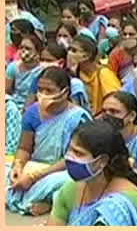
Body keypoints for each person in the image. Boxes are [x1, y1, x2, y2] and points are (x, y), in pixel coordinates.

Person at [6, 67, 91, 215]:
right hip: (35, 165)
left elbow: (73, 158)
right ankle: (34, 197)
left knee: (74, 182)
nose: (43, 95)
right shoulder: (32, 112)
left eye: (49, 90)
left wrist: (34, 177)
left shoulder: (77, 117)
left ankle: (50, 204)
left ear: (64, 92)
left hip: (63, 169)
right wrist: (18, 166)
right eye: (40, 89)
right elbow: (24, 148)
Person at [45, 120, 137, 225]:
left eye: (78, 153)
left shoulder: (124, 203)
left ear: (102, 161)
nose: (69, 157)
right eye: (69, 150)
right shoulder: (70, 190)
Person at [69, 35, 121, 114]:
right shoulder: (74, 73)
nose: (69, 53)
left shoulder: (104, 74)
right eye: (68, 49)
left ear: (86, 56)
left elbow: (116, 105)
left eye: (73, 50)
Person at [6, 34, 43, 108]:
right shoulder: (12, 67)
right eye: (21, 48)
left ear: (37, 52)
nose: (23, 50)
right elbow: (6, 91)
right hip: (13, 105)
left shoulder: (42, 70)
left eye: (28, 48)